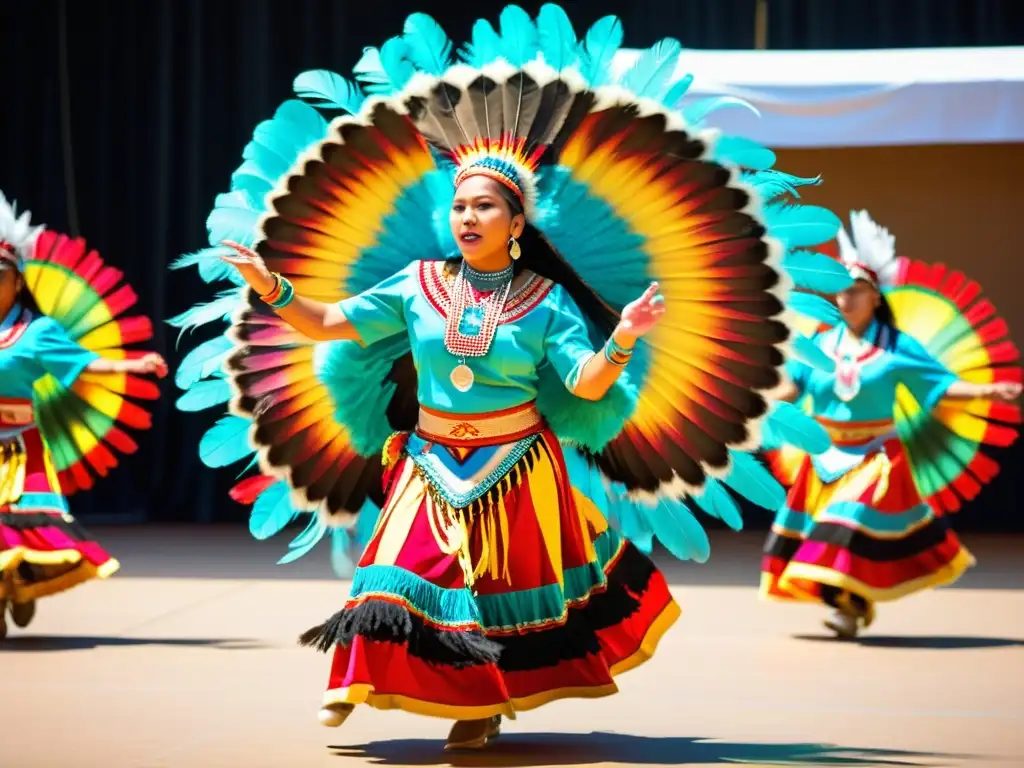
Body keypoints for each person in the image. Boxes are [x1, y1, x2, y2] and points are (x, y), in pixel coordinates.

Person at [173, 5, 847, 750]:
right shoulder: (417, 283)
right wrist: (269, 285)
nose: (467, 215)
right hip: (428, 461)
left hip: (517, 468)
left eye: (484, 205)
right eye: (459, 204)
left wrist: (623, 337)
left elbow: (587, 386)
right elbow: (328, 324)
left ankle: (479, 708)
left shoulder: (546, 300)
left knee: (496, 606)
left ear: (516, 221)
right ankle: (353, 678)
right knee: (394, 574)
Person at [761, 209, 1021, 638]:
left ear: (876, 296)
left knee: (845, 524)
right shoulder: (820, 344)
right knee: (818, 541)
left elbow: (938, 387)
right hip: (824, 456)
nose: (847, 299)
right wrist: (757, 398)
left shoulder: (898, 347)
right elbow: (792, 390)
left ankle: (849, 606)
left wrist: (986, 392)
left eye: (857, 291)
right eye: (840, 292)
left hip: (877, 457)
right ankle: (850, 605)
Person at [0, 192, 167, 638]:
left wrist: (131, 365)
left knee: (17, 529)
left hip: (18, 449)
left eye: (0, 276)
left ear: (17, 282)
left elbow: (85, 362)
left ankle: (17, 588)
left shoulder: (37, 332)